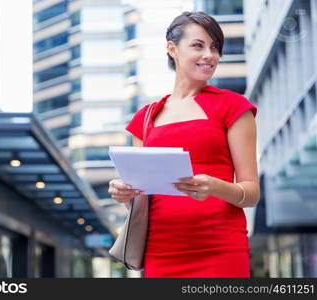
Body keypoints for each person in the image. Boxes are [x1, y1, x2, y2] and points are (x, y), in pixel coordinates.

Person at [108, 11, 260, 278]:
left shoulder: (234, 107)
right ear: (172, 49)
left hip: (220, 250)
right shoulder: (144, 119)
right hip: (161, 253)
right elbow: (142, 199)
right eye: (198, 45)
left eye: (215, 47)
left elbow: (251, 192)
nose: (210, 55)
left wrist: (215, 186)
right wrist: (125, 195)